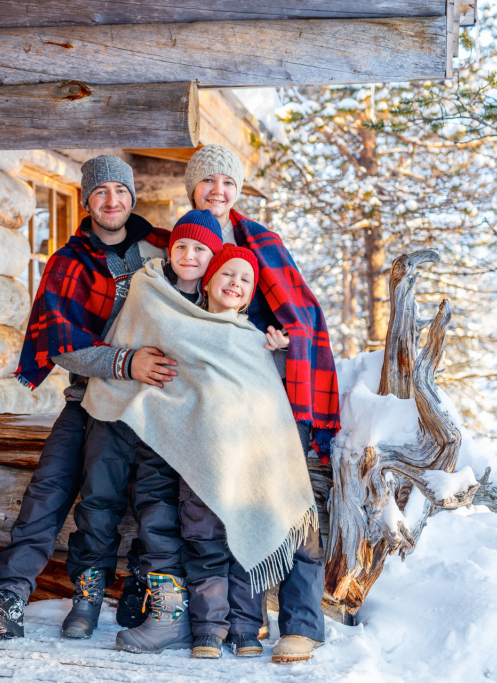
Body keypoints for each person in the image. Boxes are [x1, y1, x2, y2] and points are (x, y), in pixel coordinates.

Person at [81, 245, 318, 660]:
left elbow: (264, 397)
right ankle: (207, 630)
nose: (235, 283)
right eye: (228, 274)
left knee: (247, 538)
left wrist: (280, 355)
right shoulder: (180, 322)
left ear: (250, 296)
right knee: (202, 542)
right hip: (196, 456)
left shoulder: (253, 340)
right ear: (209, 281)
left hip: (246, 466)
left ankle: (246, 630)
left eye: (245, 280)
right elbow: (175, 378)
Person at [0, 155, 173, 639]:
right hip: (88, 399)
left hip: (153, 403)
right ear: (87, 202)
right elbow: (63, 345)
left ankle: (147, 594)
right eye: (101, 192)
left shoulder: (162, 249)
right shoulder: (69, 261)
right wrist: (125, 362)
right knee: (49, 488)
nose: (112, 200)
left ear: (132, 197)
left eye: (120, 192)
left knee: (156, 497)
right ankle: (8, 599)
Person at [179, 144, 342, 663]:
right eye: (208, 182)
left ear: (238, 190)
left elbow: (301, 315)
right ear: (192, 188)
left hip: (273, 390)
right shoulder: (183, 242)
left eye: (228, 182)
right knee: (227, 511)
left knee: (292, 503)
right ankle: (240, 623)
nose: (218, 191)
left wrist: (278, 342)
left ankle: (302, 625)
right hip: (213, 403)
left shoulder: (262, 241)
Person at [58, 209, 224, 642]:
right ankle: (87, 596)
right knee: (97, 498)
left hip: (168, 421)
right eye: (182, 246)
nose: (189, 255)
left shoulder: (215, 304)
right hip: (115, 407)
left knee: (158, 508)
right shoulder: (144, 284)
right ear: (170, 249)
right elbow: (117, 337)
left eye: (201, 249)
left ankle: (167, 606)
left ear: (214, 258)